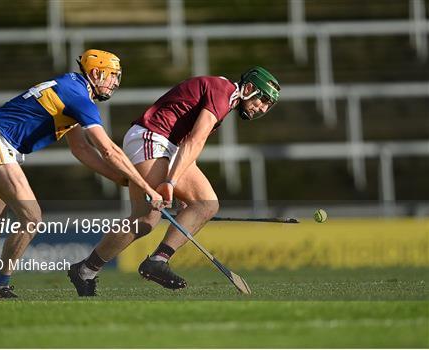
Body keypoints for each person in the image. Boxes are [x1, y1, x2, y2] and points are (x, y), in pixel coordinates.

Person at [0, 49, 165, 299]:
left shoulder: (72, 87)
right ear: (95, 72)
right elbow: (108, 150)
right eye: (112, 76)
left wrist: (118, 178)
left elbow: (80, 148)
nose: (115, 82)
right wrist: (145, 186)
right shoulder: (78, 97)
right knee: (32, 218)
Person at [69, 67, 280, 296]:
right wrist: (171, 182)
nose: (263, 108)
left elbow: (189, 143)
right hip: (151, 136)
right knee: (146, 218)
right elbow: (194, 142)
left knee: (206, 204)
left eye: (269, 105)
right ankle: (86, 270)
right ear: (249, 88)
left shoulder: (225, 96)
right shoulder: (223, 92)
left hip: (168, 144)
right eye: (263, 100)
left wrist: (180, 188)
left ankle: (156, 261)